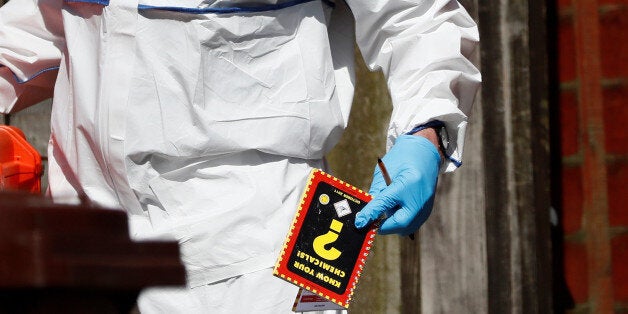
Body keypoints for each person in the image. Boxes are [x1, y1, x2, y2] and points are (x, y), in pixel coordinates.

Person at [0, 0, 481, 312]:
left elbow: (416, 18)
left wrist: (426, 131)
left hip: (262, 261)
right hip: (88, 256)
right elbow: (57, 21)